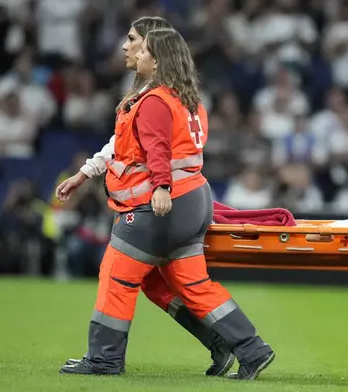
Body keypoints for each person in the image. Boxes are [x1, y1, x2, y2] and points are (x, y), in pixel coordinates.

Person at [59, 28, 275, 379]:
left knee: (116, 275)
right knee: (193, 284)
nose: (137, 53)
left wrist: (160, 186)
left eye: (143, 49)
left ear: (158, 60)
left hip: (165, 202)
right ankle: (251, 348)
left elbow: (158, 149)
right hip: (194, 197)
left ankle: (104, 359)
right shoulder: (189, 100)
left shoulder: (155, 100)